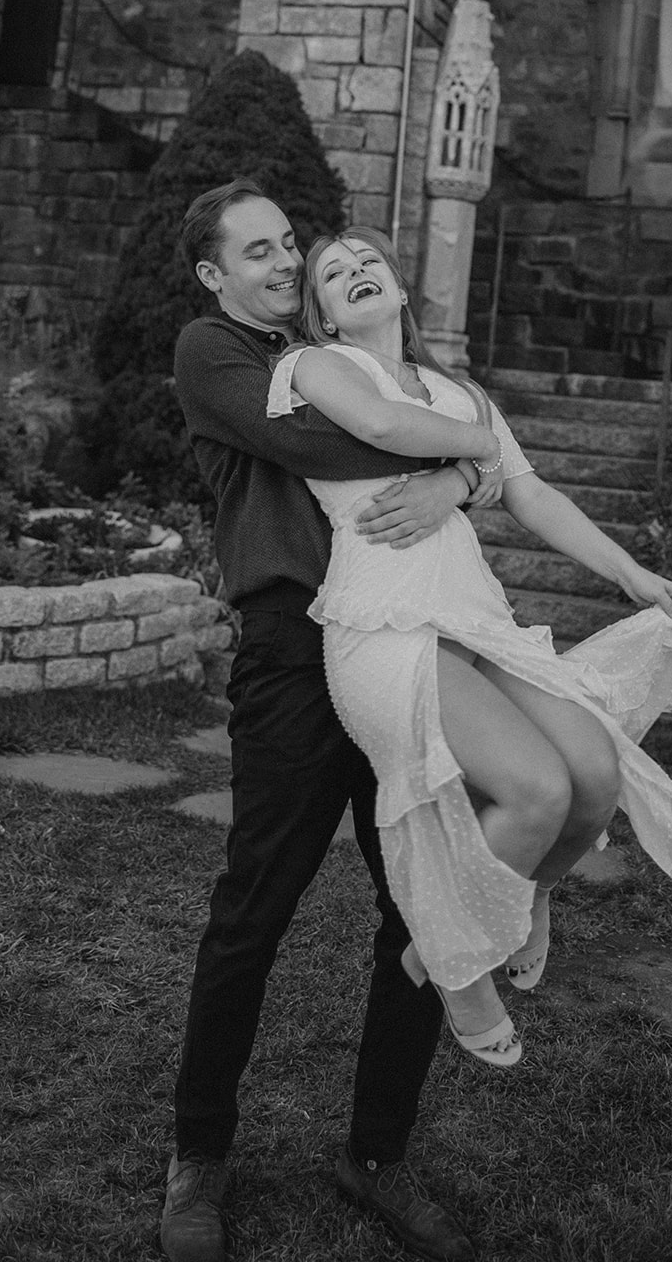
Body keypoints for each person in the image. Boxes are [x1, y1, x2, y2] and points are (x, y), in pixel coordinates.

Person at [265, 225, 672, 1068]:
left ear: (402, 292)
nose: (355, 271)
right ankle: (447, 963)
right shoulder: (315, 368)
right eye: (332, 273)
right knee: (533, 793)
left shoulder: (463, 390)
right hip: (387, 624)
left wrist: (628, 573)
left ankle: (519, 897)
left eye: (369, 260)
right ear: (325, 316)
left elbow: (531, 492)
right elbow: (382, 424)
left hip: (477, 618)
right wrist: (474, 456)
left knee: (593, 780)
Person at [166, 180, 486, 1262]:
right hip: (297, 659)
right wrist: (461, 463)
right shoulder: (215, 354)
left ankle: (377, 1156)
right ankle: (198, 1156)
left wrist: (461, 475)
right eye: (254, 251)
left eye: (286, 245)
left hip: (399, 649)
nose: (277, 261)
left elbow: (418, 417)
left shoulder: (342, 355)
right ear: (214, 274)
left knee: (418, 907)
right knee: (254, 910)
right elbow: (329, 447)